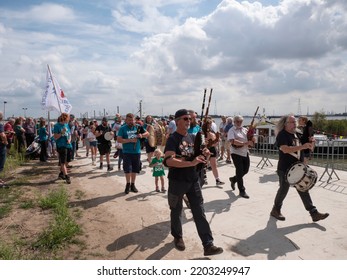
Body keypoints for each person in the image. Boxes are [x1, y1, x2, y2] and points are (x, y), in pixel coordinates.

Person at [164, 109, 223, 256]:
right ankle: (178, 237)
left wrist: (206, 154)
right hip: (177, 181)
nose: (188, 121)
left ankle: (208, 245)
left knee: (199, 211)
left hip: (193, 180)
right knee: (176, 211)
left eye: (190, 118)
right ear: (177, 121)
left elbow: (200, 155)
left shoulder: (193, 136)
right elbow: (168, 161)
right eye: (185, 118)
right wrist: (191, 163)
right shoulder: (173, 139)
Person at [270, 114, 329, 222]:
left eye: (295, 122)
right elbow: (285, 149)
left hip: (298, 168)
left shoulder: (297, 134)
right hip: (285, 168)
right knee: (283, 190)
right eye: (291, 122)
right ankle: (275, 210)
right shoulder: (282, 135)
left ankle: (313, 213)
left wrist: (311, 144)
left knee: (303, 189)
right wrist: (303, 146)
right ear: (285, 124)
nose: (294, 124)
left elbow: (308, 149)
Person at [117, 113, 149, 194]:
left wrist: (141, 135)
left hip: (136, 152)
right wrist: (130, 140)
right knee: (127, 170)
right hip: (127, 152)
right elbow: (119, 140)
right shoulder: (122, 128)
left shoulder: (138, 127)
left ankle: (133, 185)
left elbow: (147, 133)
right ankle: (127, 185)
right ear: (126, 120)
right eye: (129, 120)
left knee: (135, 169)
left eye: (132, 120)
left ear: (134, 120)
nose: (131, 122)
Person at [227, 115, 254, 199]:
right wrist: (245, 143)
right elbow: (232, 141)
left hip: (245, 152)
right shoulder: (231, 130)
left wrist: (252, 140)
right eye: (237, 121)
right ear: (234, 122)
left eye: (240, 121)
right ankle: (242, 190)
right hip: (235, 152)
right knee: (239, 171)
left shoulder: (245, 130)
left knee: (245, 170)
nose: (239, 123)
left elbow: (251, 139)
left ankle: (234, 179)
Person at [202, 117, 224, 186]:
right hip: (206, 149)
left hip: (213, 148)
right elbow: (203, 142)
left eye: (210, 124)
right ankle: (204, 178)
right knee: (204, 165)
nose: (210, 126)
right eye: (209, 124)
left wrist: (216, 139)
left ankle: (217, 180)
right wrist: (209, 138)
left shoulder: (212, 131)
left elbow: (216, 140)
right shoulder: (202, 132)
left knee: (214, 165)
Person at [53, 113, 72, 184]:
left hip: (68, 145)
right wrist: (61, 133)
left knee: (67, 161)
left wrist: (69, 140)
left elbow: (69, 134)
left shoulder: (66, 125)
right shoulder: (56, 126)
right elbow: (55, 136)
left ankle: (61, 173)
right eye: (68, 118)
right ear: (65, 118)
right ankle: (67, 177)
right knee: (63, 162)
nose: (69, 120)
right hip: (61, 145)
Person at [0, 111, 8, 188]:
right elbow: (2, 135)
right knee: (1, 163)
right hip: (0, 146)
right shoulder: (0, 125)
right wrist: (6, 142)